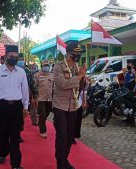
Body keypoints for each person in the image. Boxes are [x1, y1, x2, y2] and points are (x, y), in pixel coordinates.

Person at [0, 45, 29, 169]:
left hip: (16, 107)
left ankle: (15, 164)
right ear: (5, 56)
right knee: (2, 134)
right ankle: (2, 153)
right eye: (11, 57)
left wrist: (25, 106)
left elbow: (25, 90)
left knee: (15, 136)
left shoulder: (21, 72)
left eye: (16, 57)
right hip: (2, 107)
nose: (14, 59)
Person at [53, 41, 86, 169]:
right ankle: (60, 163)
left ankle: (65, 159)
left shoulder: (77, 68)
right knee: (62, 134)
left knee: (70, 135)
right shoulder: (58, 67)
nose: (77, 56)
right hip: (60, 105)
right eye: (75, 53)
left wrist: (83, 78)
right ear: (68, 53)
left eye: (79, 53)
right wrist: (79, 77)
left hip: (72, 106)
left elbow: (81, 86)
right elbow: (62, 84)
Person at [34, 60, 53, 138]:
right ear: (41, 67)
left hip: (50, 99)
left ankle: (41, 122)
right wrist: (35, 97)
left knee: (47, 114)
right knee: (42, 114)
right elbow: (34, 87)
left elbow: (54, 87)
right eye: (45, 65)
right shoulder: (37, 75)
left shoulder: (52, 75)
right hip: (41, 98)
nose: (46, 67)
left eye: (47, 65)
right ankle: (43, 131)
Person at [17, 53, 38, 126]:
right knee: (18, 109)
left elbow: (32, 82)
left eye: (22, 59)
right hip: (16, 93)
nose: (21, 61)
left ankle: (23, 122)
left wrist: (35, 95)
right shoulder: (13, 70)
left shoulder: (27, 71)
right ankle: (19, 123)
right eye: (19, 59)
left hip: (26, 92)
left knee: (26, 108)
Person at [74, 76, 90, 144]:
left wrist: (84, 102)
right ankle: (71, 136)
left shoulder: (85, 80)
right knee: (72, 120)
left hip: (79, 103)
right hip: (72, 102)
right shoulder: (74, 79)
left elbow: (84, 92)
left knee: (78, 119)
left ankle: (75, 135)